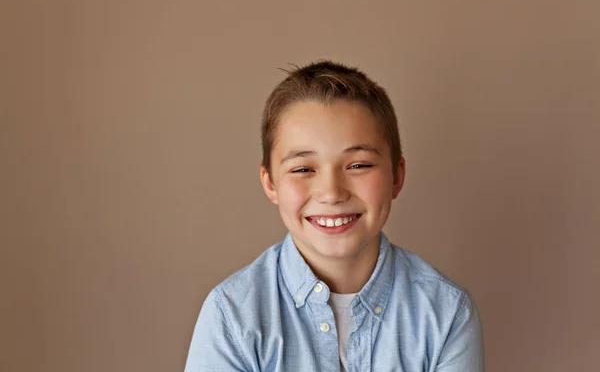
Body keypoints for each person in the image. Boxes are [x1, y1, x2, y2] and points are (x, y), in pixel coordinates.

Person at [184, 60, 484, 371]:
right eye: (303, 169)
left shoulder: (447, 313)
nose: (331, 192)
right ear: (271, 184)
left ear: (396, 176)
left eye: (358, 165)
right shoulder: (232, 314)